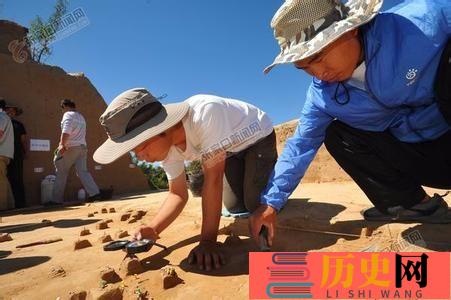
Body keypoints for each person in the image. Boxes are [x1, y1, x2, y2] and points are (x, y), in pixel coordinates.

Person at [250, 0, 451, 246]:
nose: (319, 73)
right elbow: (300, 146)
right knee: (337, 134)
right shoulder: (322, 96)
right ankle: (415, 207)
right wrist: (270, 203)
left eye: (319, 56)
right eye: (305, 67)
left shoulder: (422, 22)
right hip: (426, 160)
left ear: (350, 29)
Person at [94, 88, 277, 271]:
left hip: (257, 138)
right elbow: (177, 194)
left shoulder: (205, 113)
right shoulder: (167, 149)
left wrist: (207, 241)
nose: (140, 157)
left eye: (139, 147)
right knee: (235, 207)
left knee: (254, 203)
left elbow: (213, 179)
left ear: (159, 129)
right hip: (229, 152)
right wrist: (154, 228)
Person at [53, 99, 101, 203]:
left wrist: (62, 144)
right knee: (83, 171)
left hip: (71, 147)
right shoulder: (81, 117)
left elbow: (66, 130)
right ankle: (95, 194)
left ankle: (56, 200)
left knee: (61, 171)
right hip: (83, 147)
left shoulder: (68, 115)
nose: (62, 111)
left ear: (65, 106)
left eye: (62, 108)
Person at [5, 104, 27, 208]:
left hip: (17, 154)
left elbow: (23, 141)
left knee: (17, 178)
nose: (10, 112)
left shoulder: (19, 125)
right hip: (5, 154)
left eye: (12, 111)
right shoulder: (3, 123)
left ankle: (20, 203)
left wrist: (25, 152)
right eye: (8, 110)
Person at [0, 99, 14, 210]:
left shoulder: (1, 117)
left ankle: (3, 206)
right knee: (3, 178)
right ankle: (9, 205)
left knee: (1, 180)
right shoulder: (5, 117)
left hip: (1, 153)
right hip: (4, 153)